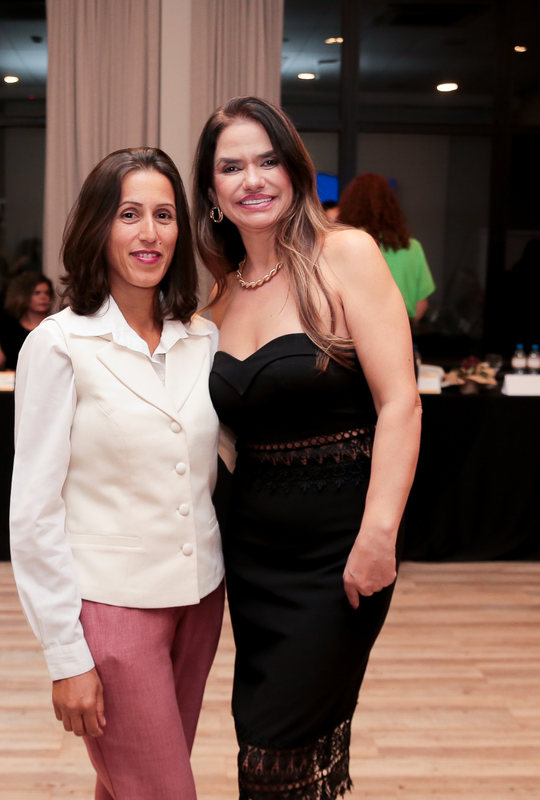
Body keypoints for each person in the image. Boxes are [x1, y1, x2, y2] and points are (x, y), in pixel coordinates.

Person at [195, 97, 421, 799]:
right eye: (231, 167)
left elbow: (401, 403)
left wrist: (379, 534)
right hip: (252, 556)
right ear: (212, 192)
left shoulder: (345, 254)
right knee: (260, 740)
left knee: (279, 754)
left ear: (294, 170)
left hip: (338, 552)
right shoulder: (218, 298)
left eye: (268, 160)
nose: (252, 179)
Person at [9, 147, 224, 800]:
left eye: (164, 214)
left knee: (130, 786)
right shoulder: (58, 344)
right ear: (98, 226)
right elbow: (34, 512)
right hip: (113, 608)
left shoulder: (202, 338)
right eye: (129, 214)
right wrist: (65, 656)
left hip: (201, 601)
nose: (149, 232)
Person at [336, 172, 435, 321]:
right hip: (403, 328)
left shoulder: (342, 242)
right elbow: (420, 305)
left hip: (352, 329)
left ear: (348, 204)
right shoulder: (411, 246)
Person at [0, 271, 53, 370]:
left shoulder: (55, 326)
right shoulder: (10, 331)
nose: (43, 297)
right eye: (37, 293)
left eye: (47, 293)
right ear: (24, 296)